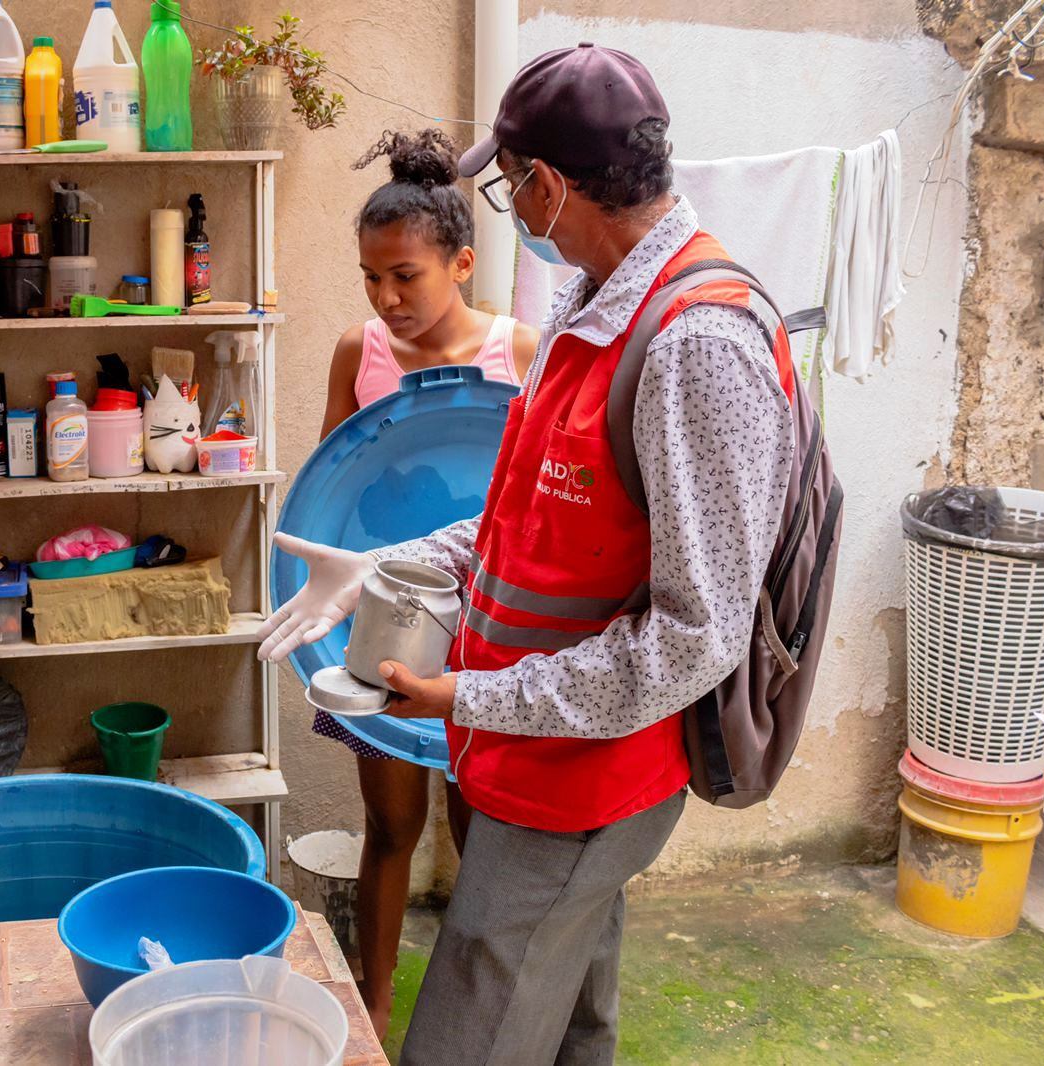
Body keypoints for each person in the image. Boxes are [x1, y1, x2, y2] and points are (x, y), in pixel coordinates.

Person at [260, 44, 796, 1065]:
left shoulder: (696, 342)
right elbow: (520, 518)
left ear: (547, 185)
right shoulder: (592, 306)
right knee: (571, 1029)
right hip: (532, 759)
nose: (510, 203)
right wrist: (386, 566)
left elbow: (695, 639)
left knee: (468, 1038)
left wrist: (469, 697)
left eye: (508, 185)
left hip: (583, 779)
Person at [315, 127, 538, 1038]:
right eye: (371, 277)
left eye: (405, 276)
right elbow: (332, 486)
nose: (386, 297)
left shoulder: (521, 353)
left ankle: (475, 1016)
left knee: (484, 838)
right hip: (377, 629)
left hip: (487, 631)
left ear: (461, 262)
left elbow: (545, 501)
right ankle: (373, 1008)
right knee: (390, 827)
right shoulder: (354, 352)